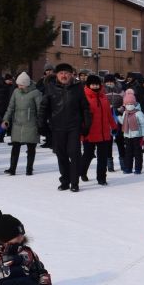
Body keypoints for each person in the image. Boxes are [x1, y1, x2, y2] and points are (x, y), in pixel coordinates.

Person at [39, 63, 91, 192]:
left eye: (66, 73)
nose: (64, 75)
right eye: (61, 73)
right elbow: (44, 107)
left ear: (71, 75)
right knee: (61, 154)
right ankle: (65, 180)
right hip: (57, 127)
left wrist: (87, 124)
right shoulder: (50, 88)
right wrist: (41, 124)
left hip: (74, 126)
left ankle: (74, 182)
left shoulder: (78, 88)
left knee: (74, 153)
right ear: (57, 75)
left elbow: (85, 107)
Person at [80, 74, 117, 185]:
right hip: (89, 133)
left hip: (104, 133)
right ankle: (82, 172)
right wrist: (81, 132)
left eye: (97, 84)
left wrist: (114, 126)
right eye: (93, 84)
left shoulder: (103, 97)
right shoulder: (84, 98)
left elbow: (108, 114)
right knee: (88, 155)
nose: (95, 86)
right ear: (88, 85)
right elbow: (81, 117)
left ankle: (101, 178)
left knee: (102, 158)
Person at [2, 73, 42, 176]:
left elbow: (40, 110)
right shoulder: (16, 92)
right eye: (18, 84)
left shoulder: (36, 93)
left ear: (27, 84)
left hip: (31, 124)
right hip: (17, 124)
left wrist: (40, 123)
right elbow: (10, 107)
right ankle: (12, 168)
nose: (19, 87)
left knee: (31, 148)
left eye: (21, 85)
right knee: (15, 147)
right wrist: (6, 119)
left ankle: (29, 169)